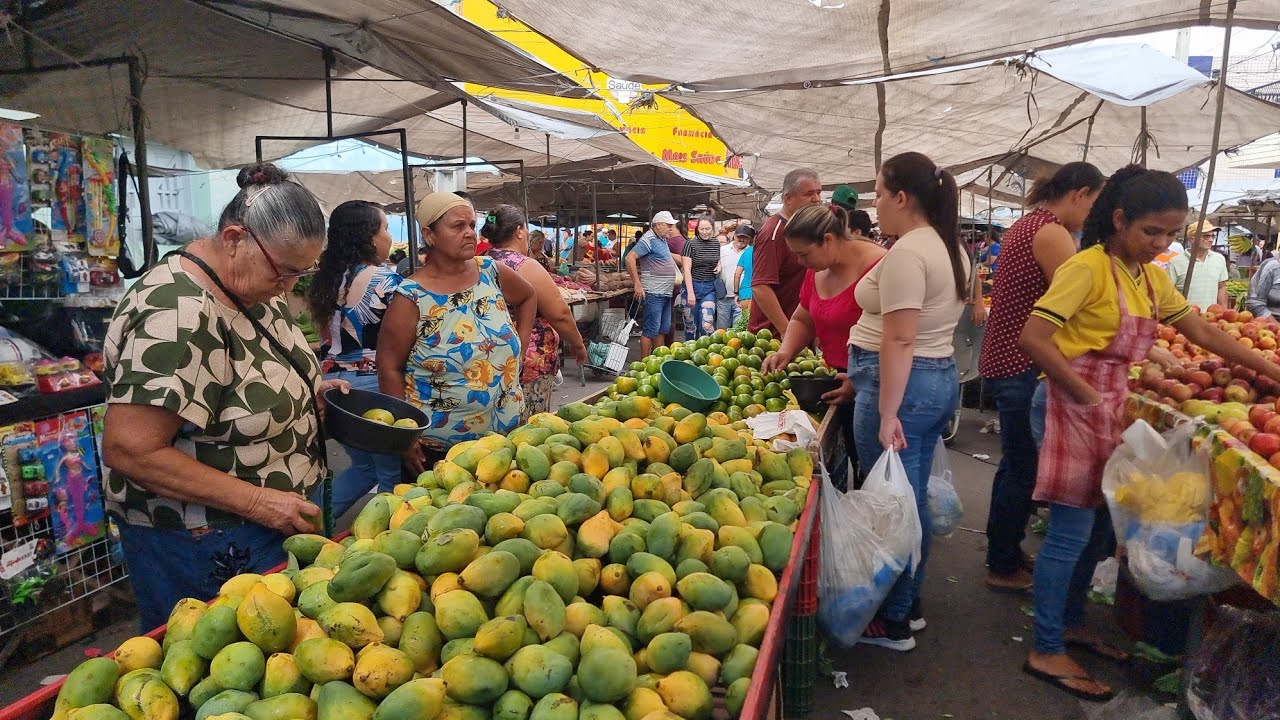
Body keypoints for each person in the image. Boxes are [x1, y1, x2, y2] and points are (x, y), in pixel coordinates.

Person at [1018, 166, 1280, 701]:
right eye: (1151, 232)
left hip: (1107, 402)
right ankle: (1045, 647)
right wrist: (1086, 395)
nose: (1161, 244)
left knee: (1095, 531)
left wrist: (1270, 369)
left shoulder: (1146, 276)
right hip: (1072, 402)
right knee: (1069, 533)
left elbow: (1198, 329)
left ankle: (1069, 624)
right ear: (1119, 219)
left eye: (1170, 234)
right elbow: (1035, 338)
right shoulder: (1086, 268)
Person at [101, 163, 344, 630]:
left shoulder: (253, 286)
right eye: (285, 272)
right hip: (207, 540)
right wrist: (256, 502)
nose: (290, 287)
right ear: (234, 239)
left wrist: (304, 394)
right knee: (217, 662)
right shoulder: (179, 313)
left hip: (268, 526)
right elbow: (130, 448)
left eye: (302, 272)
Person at [848, 152, 970, 650]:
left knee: (893, 505)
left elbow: (899, 339)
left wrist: (887, 413)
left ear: (901, 198)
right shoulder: (949, 246)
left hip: (904, 385)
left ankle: (892, 619)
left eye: (879, 194)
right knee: (908, 500)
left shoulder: (910, 253)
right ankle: (906, 604)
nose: (875, 204)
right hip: (934, 379)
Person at [976, 161, 1105, 592]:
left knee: (1015, 465)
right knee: (1023, 469)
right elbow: (1079, 301)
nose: (1092, 215)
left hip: (1007, 358)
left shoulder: (1029, 224)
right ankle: (1002, 564)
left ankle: (1005, 550)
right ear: (1080, 194)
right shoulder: (1051, 232)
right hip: (1021, 362)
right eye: (1094, 204)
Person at [377, 192, 537, 474]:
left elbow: (528, 297)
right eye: (458, 226)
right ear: (430, 235)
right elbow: (388, 367)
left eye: (472, 225)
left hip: (508, 442)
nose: (469, 233)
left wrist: (520, 350)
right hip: (442, 455)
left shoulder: (490, 272)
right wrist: (405, 433)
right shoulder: (411, 297)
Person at [762, 204, 884, 491]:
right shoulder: (817, 270)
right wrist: (786, 351)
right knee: (843, 466)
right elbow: (803, 318)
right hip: (834, 381)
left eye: (804, 254)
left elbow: (898, 335)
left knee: (875, 476)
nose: (800, 262)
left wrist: (861, 380)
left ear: (827, 240)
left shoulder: (880, 267)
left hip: (877, 387)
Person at [307, 200, 404, 518]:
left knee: (364, 468)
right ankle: (386, 537)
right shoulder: (388, 282)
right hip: (375, 388)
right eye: (385, 228)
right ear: (368, 236)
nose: (389, 236)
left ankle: (309, 520)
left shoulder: (326, 280)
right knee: (391, 475)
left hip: (334, 387)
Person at [483, 205, 589, 421]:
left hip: (488, 355)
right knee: (530, 425)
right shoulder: (525, 266)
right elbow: (559, 313)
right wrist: (578, 344)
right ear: (519, 231)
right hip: (527, 360)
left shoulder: (480, 261)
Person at [749, 168, 823, 336]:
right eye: (809, 194)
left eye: (818, 192)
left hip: (799, 332)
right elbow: (760, 286)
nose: (817, 199)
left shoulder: (804, 229)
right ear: (788, 198)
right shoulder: (774, 232)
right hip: (772, 337)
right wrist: (787, 331)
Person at [627, 212, 681, 357]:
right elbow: (630, 258)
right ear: (659, 225)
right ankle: (644, 363)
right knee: (650, 330)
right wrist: (637, 284)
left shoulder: (661, 239)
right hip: (654, 293)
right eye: (669, 225)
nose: (671, 228)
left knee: (662, 329)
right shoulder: (648, 239)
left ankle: (657, 361)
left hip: (665, 293)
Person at [1166, 221, 1228, 309]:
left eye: (1212, 236)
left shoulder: (1219, 259)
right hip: (1185, 315)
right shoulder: (1175, 262)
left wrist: (1223, 309)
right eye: (1206, 236)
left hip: (1211, 315)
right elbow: (1167, 293)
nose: (1211, 239)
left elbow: (1221, 287)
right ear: (1192, 238)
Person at [681, 217, 721, 339]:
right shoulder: (690, 243)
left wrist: (719, 264)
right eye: (701, 229)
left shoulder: (716, 243)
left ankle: (706, 348)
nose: (704, 232)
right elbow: (686, 270)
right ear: (697, 229)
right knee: (691, 325)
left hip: (709, 287)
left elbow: (718, 258)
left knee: (707, 324)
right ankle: (689, 348)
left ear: (713, 228)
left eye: (707, 229)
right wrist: (690, 293)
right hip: (691, 285)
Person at [716, 225, 751, 329]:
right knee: (721, 330)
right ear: (734, 236)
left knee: (738, 330)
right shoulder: (723, 250)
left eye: (745, 237)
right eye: (739, 237)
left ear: (749, 239)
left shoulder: (751, 252)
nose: (741, 239)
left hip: (741, 298)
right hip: (723, 297)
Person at [735, 227, 755, 321]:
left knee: (746, 323)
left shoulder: (747, 251)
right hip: (758, 293)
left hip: (744, 293)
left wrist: (736, 292)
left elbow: (737, 274)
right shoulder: (764, 252)